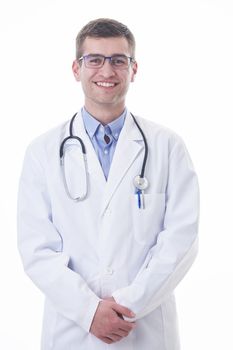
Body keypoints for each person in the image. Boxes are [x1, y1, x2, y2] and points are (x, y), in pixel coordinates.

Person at [17, 18, 199, 350]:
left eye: (118, 60)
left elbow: (182, 239)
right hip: (72, 331)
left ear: (133, 69)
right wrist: (88, 311)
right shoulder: (42, 152)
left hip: (143, 331)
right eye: (95, 59)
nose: (107, 70)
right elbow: (37, 249)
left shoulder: (167, 146)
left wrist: (128, 304)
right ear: (76, 68)